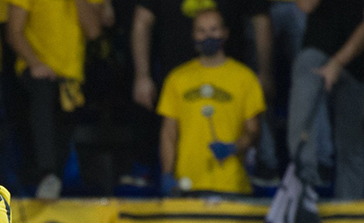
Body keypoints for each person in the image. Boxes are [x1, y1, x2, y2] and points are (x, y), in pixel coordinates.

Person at [132, 0, 271, 189]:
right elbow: (168, 133)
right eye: (201, 31)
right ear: (193, 35)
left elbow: (254, 131)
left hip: (232, 185)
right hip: (186, 186)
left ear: (225, 33)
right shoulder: (176, 79)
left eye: (214, 30)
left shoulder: (245, 79)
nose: (208, 36)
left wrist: (234, 147)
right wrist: (167, 172)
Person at [6, 0, 104, 199]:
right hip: (36, 71)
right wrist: (35, 64)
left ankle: (56, 180)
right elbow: (13, 32)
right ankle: (46, 173)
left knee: (65, 129)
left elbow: (94, 31)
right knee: (43, 100)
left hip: (71, 79)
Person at [288, 0, 364, 200]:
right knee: (306, 69)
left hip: (358, 67)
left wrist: (337, 63)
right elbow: (306, 5)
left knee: (353, 149)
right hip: (318, 51)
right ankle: (304, 176)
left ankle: (349, 215)